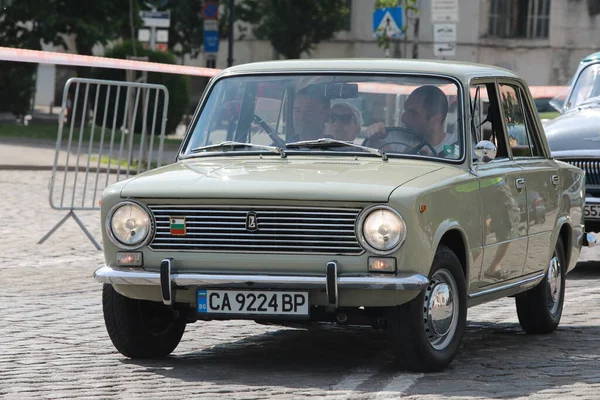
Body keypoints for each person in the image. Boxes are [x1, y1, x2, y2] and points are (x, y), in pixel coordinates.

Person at [365, 85, 458, 158]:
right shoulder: (393, 138)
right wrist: (374, 137)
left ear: (436, 119)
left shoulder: (459, 148)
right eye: (405, 111)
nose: (403, 119)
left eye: (413, 113)